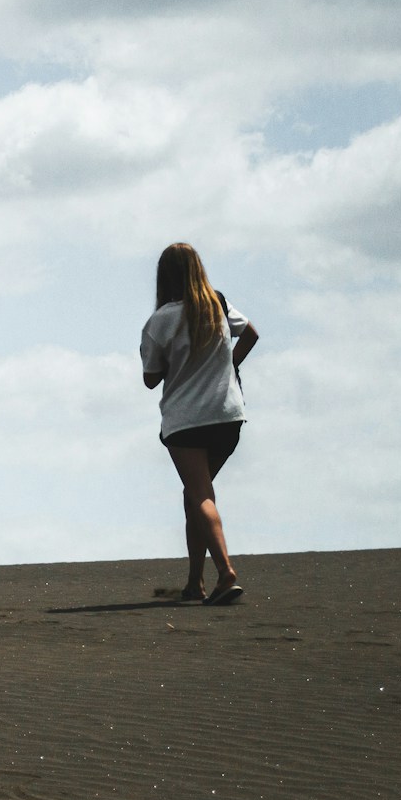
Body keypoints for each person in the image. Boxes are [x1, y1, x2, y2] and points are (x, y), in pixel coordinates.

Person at [141, 243, 259, 605]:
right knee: (194, 494)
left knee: (201, 495)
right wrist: (229, 365)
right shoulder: (217, 304)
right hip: (227, 415)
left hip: (186, 420)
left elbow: (150, 378)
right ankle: (195, 583)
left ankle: (225, 573)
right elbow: (251, 333)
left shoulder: (161, 320)